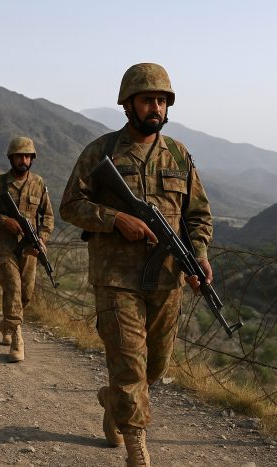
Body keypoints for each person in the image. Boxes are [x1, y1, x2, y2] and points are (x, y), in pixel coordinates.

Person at [59, 63, 213, 466]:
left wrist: (199, 255)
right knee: (129, 363)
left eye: (162, 100)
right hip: (115, 278)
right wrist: (115, 219)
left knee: (154, 366)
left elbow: (198, 215)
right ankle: (137, 448)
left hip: (166, 278)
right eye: (147, 100)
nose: (155, 107)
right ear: (128, 104)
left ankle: (114, 401)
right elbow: (70, 205)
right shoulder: (101, 152)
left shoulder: (178, 155)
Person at [0, 137, 54, 363]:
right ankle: (17, 338)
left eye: (28, 156)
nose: (24, 160)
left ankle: (7, 323)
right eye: (20, 156)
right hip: (5, 246)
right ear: (11, 158)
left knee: (25, 294)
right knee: (12, 287)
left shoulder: (38, 183)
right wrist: (4, 221)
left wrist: (42, 239)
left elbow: (48, 216)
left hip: (29, 247)